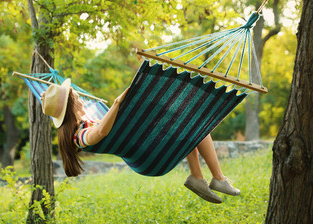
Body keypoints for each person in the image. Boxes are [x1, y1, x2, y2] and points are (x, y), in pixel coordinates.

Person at [41, 79, 240, 204]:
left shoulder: (83, 122)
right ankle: (218, 179)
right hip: (147, 157)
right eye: (77, 99)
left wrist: (50, 97)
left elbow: (102, 125)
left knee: (188, 125)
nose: (82, 101)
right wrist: (118, 103)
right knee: (197, 127)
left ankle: (198, 177)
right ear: (70, 108)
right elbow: (100, 132)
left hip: (144, 150)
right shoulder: (80, 136)